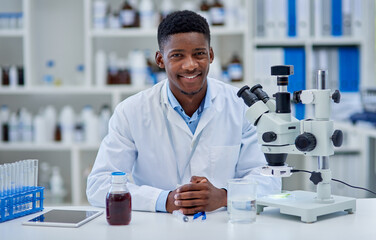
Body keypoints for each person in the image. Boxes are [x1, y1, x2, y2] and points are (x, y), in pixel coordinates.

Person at [86, 10, 281, 215]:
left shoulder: (240, 106)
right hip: (159, 227)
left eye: (199, 54)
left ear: (211, 55)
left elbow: (268, 178)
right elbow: (99, 186)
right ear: (160, 60)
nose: (190, 65)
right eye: (177, 55)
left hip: (223, 226)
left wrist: (224, 196)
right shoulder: (131, 111)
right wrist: (165, 200)